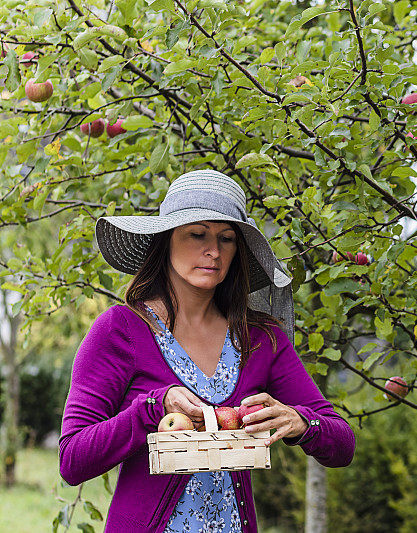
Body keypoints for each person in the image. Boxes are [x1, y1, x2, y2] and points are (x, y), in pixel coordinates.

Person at [59, 170, 355, 532]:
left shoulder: (261, 338)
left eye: (226, 239)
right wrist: (151, 410)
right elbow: (72, 460)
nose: (213, 251)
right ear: (166, 240)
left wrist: (301, 422)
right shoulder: (120, 331)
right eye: (197, 234)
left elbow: (342, 444)